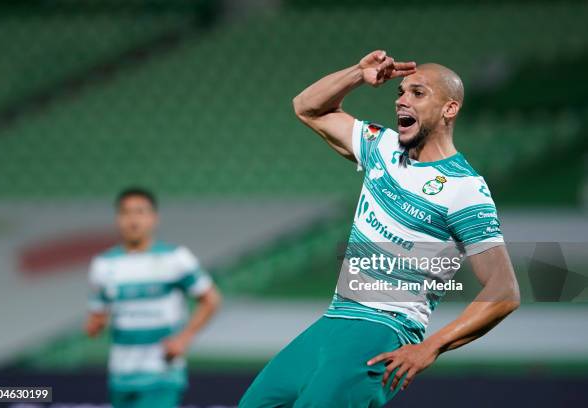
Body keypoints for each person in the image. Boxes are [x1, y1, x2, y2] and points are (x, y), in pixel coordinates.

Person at [239, 50, 520, 407]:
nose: (402, 100)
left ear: (450, 109)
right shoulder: (382, 146)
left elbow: (505, 290)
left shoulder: (464, 188)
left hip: (384, 330)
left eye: (418, 93)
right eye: (400, 92)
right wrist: (358, 73)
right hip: (334, 319)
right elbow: (306, 107)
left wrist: (429, 348)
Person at [85, 187, 221, 408]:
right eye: (126, 213)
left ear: (154, 218)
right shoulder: (103, 264)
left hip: (161, 373)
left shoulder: (175, 258)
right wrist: (94, 325)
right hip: (121, 375)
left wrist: (183, 339)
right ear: (117, 219)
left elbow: (211, 299)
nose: (133, 220)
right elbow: (95, 319)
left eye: (140, 212)